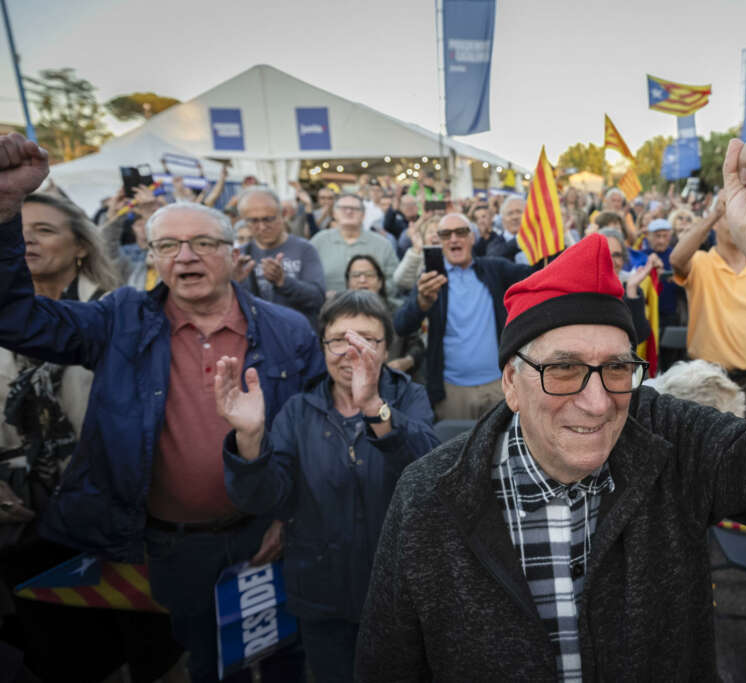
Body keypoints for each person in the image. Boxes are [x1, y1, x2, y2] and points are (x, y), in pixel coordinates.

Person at [355, 133, 746, 680]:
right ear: (511, 381)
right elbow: (389, 666)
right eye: (561, 369)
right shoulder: (429, 497)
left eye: (616, 368)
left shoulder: (668, 440)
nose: (597, 400)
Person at [0, 132, 324, 683]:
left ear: (230, 252)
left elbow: (313, 433)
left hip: (263, 538)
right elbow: (16, 321)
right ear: (151, 258)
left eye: (202, 242)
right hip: (167, 545)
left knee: (278, 659)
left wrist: (290, 517)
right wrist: (7, 211)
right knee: (200, 660)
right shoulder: (119, 318)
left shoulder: (287, 329)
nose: (186, 256)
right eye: (168, 246)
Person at [0, 193, 183, 682]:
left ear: (81, 246)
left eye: (43, 229)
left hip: (117, 511)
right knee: (57, 650)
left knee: (143, 643)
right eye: (19, 230)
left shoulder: (124, 314)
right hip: (24, 513)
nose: (27, 240)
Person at [217, 290, 438, 683]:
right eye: (339, 339)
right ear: (323, 347)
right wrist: (250, 440)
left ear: (385, 348)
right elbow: (265, 498)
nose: (350, 351)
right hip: (321, 596)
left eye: (366, 339)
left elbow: (429, 476)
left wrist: (373, 406)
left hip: (399, 595)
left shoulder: (409, 395)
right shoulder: (298, 411)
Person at [393, 212, 532, 420]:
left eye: (461, 232)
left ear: (472, 237)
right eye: (446, 234)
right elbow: (401, 325)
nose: (454, 238)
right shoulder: (431, 279)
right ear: (439, 241)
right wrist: (421, 303)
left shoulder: (493, 268)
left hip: (498, 386)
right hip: (452, 392)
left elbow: (538, 275)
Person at [669, 198, 746, 417]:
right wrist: (714, 214)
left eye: (741, 216)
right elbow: (676, 259)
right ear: (715, 223)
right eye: (728, 216)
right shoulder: (700, 262)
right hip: (706, 379)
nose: (736, 222)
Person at [234, 187, 326, 329]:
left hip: (299, 337)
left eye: (268, 219)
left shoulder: (305, 249)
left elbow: (318, 299)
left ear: (283, 214)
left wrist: (283, 282)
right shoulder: (239, 255)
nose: (262, 227)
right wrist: (233, 284)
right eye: (253, 221)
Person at [345, 254, 424, 376]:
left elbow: (417, 345)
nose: (362, 280)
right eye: (356, 275)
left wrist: (407, 361)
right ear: (348, 283)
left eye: (369, 275)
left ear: (380, 282)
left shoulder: (399, 311)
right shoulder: (338, 316)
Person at [311, 193, 398, 297]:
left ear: (363, 215)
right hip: (327, 307)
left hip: (371, 308)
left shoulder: (383, 244)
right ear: (334, 214)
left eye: (355, 209)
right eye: (343, 208)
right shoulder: (319, 241)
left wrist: (372, 294)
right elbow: (308, 278)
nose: (349, 212)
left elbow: (394, 281)